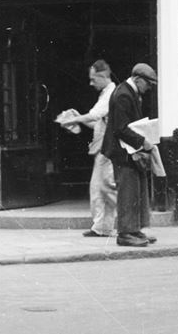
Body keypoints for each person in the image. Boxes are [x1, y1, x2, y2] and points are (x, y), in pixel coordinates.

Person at [102, 62, 158, 248]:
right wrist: (143, 142)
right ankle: (125, 233)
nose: (149, 88)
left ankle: (134, 229)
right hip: (122, 152)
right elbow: (120, 128)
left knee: (136, 190)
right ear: (137, 79)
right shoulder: (123, 95)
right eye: (148, 84)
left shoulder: (129, 92)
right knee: (128, 192)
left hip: (129, 150)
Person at [61, 60, 117, 238]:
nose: (91, 83)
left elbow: (94, 115)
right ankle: (102, 226)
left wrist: (74, 120)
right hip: (102, 148)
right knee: (99, 188)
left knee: (107, 186)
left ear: (102, 76)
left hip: (108, 148)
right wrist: (79, 118)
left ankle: (129, 222)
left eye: (93, 79)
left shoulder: (110, 94)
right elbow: (97, 124)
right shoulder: (105, 94)